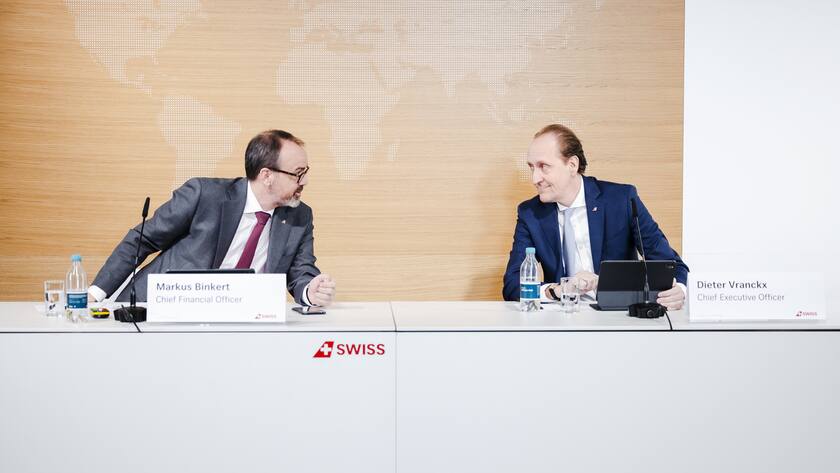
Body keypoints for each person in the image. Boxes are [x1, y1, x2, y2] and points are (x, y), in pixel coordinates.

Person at [89, 129, 336, 307]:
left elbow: (301, 271)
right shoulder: (204, 195)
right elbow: (143, 240)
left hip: (240, 320)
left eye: (306, 172)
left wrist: (309, 291)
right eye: (298, 173)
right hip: (160, 310)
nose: (305, 181)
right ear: (266, 175)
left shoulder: (300, 216)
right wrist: (96, 294)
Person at [502, 124, 688, 309]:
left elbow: (672, 265)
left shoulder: (621, 200)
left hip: (619, 317)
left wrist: (679, 289)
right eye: (532, 167)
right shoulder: (530, 213)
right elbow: (512, 286)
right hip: (563, 320)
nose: (535, 178)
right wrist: (558, 290)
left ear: (572, 165)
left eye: (544, 167)